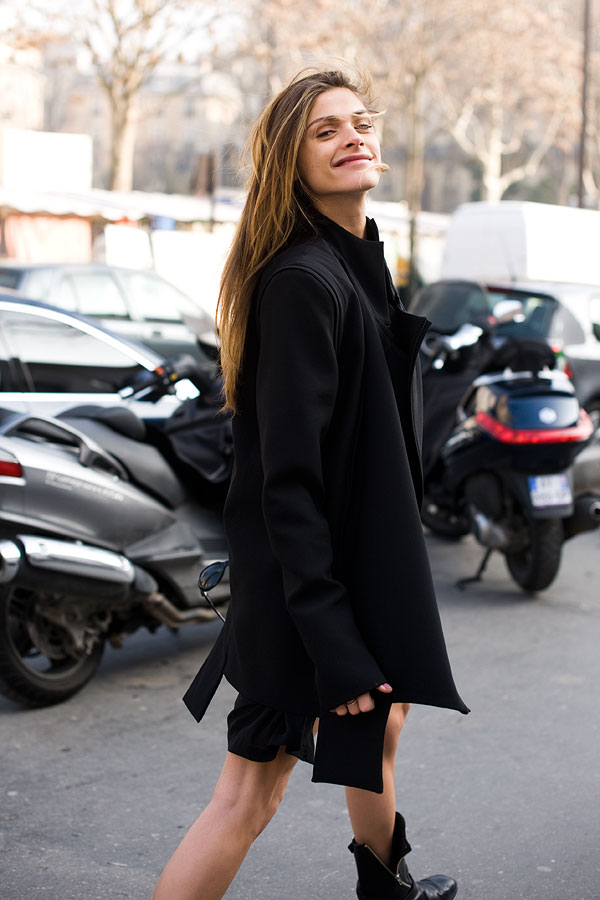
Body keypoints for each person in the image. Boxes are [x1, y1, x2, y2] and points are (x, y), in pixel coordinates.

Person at [153, 68, 468, 900]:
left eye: (359, 122)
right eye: (323, 130)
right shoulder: (301, 282)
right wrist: (333, 640)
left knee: (381, 723)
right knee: (249, 796)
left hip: (342, 577)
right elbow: (284, 484)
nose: (350, 136)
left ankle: (384, 881)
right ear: (289, 160)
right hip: (304, 593)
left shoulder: (355, 263)